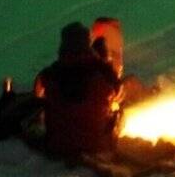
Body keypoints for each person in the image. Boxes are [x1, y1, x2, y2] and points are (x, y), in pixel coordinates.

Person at [34, 22, 121, 157]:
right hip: (95, 145)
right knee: (118, 112)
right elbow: (118, 92)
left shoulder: (50, 73)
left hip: (57, 144)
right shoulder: (103, 71)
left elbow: (37, 94)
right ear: (87, 43)